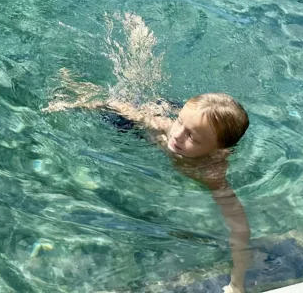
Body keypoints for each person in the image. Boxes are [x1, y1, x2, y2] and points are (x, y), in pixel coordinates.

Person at [45, 69, 252, 293]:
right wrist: (75, 102)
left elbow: (240, 228)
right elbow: (116, 103)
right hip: (141, 121)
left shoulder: (211, 173)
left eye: (192, 136)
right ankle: (72, 78)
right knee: (121, 111)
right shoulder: (164, 127)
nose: (177, 135)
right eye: (180, 122)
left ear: (219, 151)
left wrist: (237, 284)